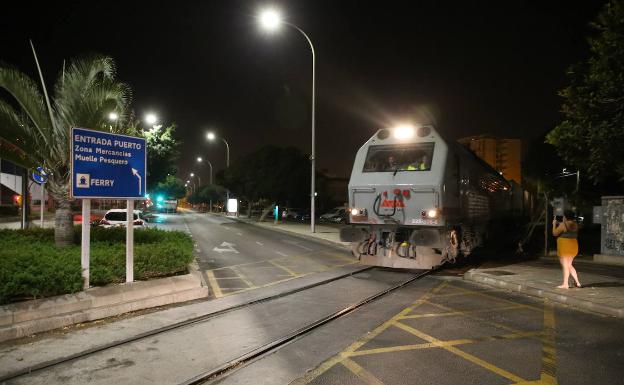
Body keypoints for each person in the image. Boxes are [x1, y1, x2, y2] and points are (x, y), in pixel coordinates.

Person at [552, 209, 581, 289]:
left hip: (565, 246)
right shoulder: (575, 224)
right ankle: (577, 282)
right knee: (569, 265)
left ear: (565, 216)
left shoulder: (563, 225)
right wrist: (560, 223)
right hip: (573, 246)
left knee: (565, 266)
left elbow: (554, 233)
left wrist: (554, 224)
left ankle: (565, 284)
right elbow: (568, 227)